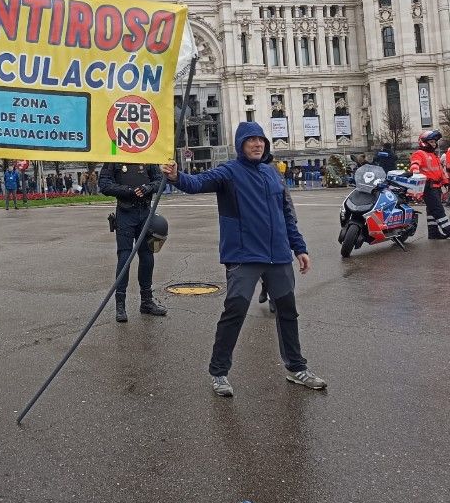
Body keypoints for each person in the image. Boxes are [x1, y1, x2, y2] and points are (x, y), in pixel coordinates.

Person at [162, 121, 327, 397]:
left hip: (278, 255)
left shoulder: (272, 173)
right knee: (235, 310)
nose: (257, 144)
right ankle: (219, 372)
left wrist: (300, 248)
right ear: (241, 145)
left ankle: (296, 368)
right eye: (251, 140)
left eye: (261, 140)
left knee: (287, 311)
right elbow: (197, 183)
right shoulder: (229, 172)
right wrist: (177, 176)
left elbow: (286, 214)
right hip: (244, 255)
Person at [98, 162, 168, 322]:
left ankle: (146, 301)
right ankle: (120, 305)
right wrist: (129, 191)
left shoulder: (147, 156)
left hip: (145, 212)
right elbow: (104, 184)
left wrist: (147, 188)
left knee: (147, 256)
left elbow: (160, 181)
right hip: (125, 213)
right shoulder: (114, 156)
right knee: (124, 258)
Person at [410, 130, 450, 240]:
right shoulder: (419, 153)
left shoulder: (433, 155)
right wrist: (415, 171)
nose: (434, 144)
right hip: (428, 187)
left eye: (434, 142)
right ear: (424, 142)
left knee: (431, 210)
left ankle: (433, 232)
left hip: (436, 186)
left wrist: (446, 181)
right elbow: (415, 164)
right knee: (438, 209)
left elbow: (440, 171)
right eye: (432, 141)